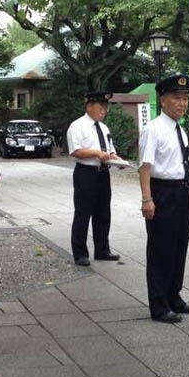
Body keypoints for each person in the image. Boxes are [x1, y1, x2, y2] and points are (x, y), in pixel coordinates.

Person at [138, 74, 189, 323]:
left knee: (178, 247)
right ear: (163, 101)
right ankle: (159, 304)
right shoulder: (153, 129)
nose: (182, 103)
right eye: (176, 98)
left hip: (181, 191)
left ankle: (174, 295)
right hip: (161, 191)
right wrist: (146, 199)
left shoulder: (180, 130)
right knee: (160, 250)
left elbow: (181, 162)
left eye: (185, 99)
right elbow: (145, 167)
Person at [66, 90, 122, 266]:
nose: (104, 110)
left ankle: (102, 250)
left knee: (103, 213)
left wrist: (116, 158)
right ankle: (80, 253)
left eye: (106, 107)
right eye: (100, 106)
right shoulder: (77, 126)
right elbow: (75, 151)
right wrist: (97, 153)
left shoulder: (104, 128)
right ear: (89, 106)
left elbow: (109, 149)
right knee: (83, 213)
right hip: (86, 174)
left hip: (103, 174)